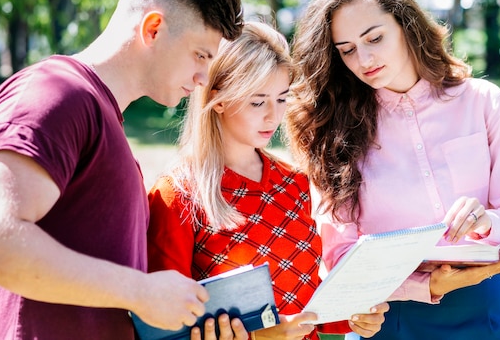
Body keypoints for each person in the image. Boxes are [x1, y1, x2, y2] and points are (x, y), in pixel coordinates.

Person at [0, 0, 245, 340]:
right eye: (200, 55)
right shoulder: (54, 94)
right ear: (153, 28)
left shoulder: (103, 120)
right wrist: (141, 292)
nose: (204, 78)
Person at [284, 0, 500, 339]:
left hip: (483, 311)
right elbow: (338, 258)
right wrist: (427, 287)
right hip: (387, 319)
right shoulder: (333, 130)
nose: (364, 60)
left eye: (374, 38)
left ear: (405, 22)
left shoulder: (482, 102)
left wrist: (489, 223)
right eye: (347, 50)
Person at [146, 21, 388, 340]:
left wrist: (352, 316)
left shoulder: (297, 183)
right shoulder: (176, 195)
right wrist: (260, 337)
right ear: (217, 98)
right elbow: (161, 329)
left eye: (282, 98)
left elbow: (303, 299)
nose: (273, 116)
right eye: (258, 101)